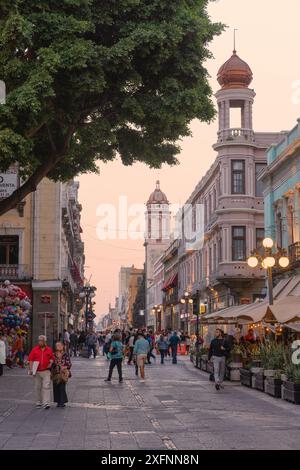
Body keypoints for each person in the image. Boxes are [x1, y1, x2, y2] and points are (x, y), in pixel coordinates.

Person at [28, 335, 54, 409]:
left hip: (46, 371)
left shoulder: (49, 349)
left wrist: (51, 363)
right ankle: (38, 401)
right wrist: (31, 369)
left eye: (42, 340)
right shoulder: (35, 349)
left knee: (46, 386)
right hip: (37, 371)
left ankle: (46, 403)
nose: (40, 342)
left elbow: (52, 359)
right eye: (39, 340)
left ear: (45, 342)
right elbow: (30, 360)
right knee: (38, 387)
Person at [51, 342, 72, 408]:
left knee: (62, 387)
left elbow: (69, 364)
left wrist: (64, 367)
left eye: (60, 345)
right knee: (56, 387)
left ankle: (62, 402)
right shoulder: (53, 354)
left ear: (63, 346)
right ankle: (58, 401)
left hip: (63, 372)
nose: (59, 346)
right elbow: (51, 363)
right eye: (57, 345)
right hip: (55, 372)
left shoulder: (65, 354)